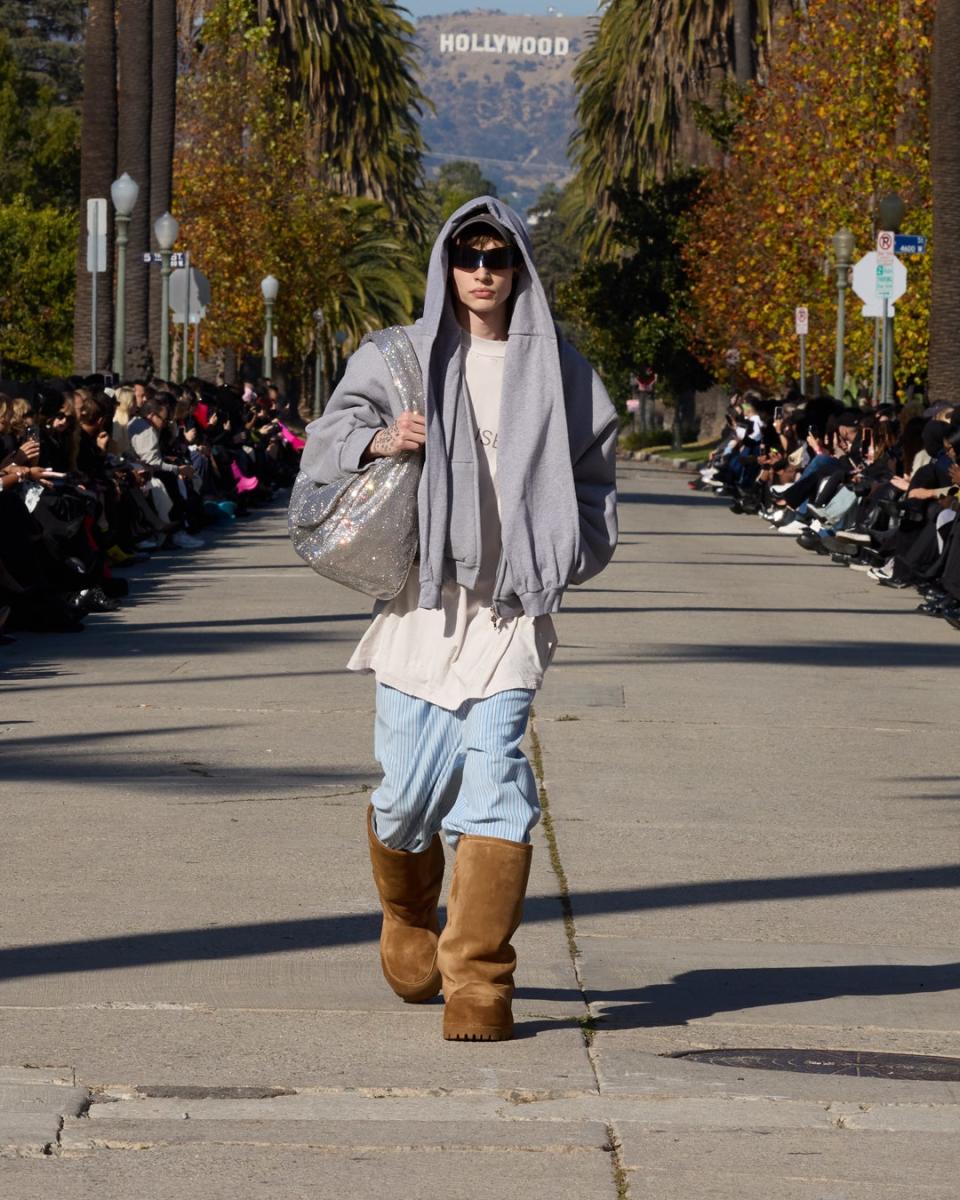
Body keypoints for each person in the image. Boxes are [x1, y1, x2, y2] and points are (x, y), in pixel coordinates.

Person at [301, 197, 618, 1042]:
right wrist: (381, 440)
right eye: (468, 255)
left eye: (499, 256)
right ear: (447, 265)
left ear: (519, 267)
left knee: (498, 779)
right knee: (406, 795)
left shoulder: (562, 371)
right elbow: (325, 437)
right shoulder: (398, 357)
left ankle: (479, 980)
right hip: (422, 604)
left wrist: (564, 549)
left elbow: (596, 482)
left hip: (510, 610)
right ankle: (408, 915)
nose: (483, 270)